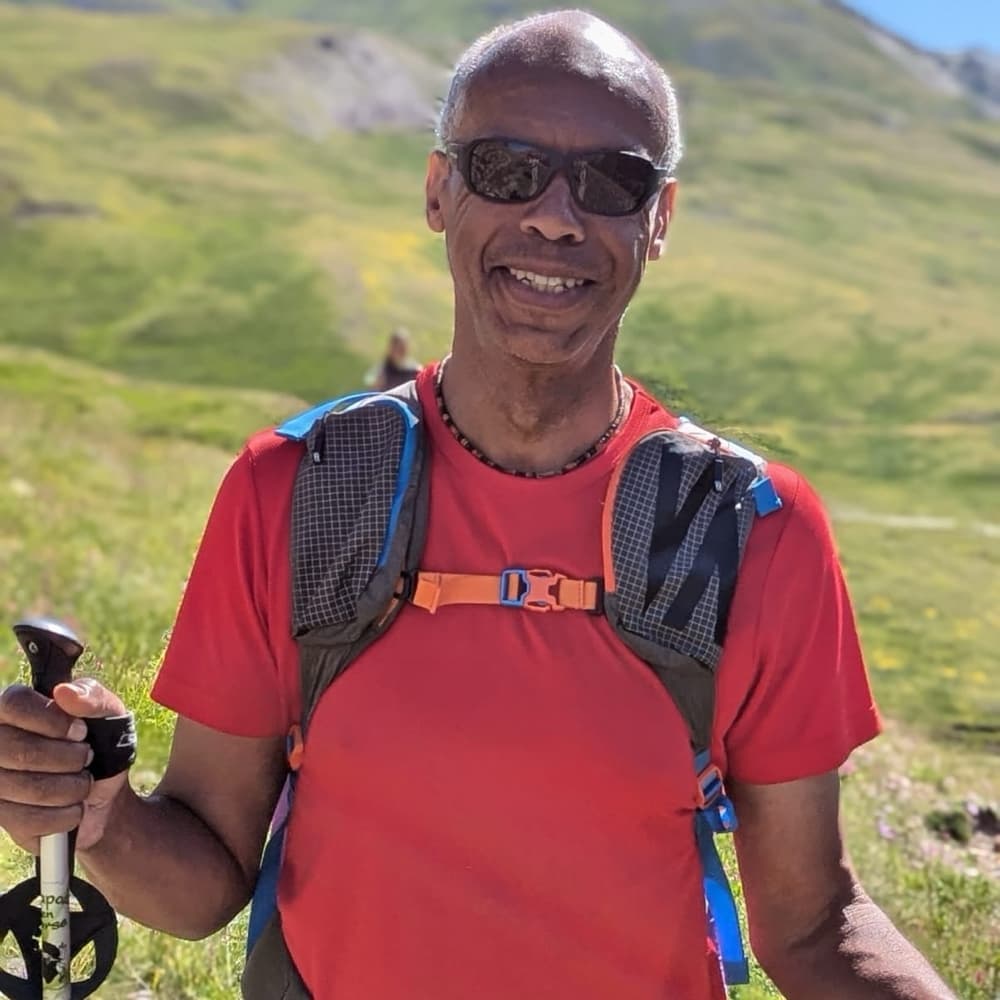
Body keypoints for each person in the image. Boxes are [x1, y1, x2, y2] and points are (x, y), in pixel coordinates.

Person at [0, 11, 955, 1000]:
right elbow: (203, 879)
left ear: (659, 219)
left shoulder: (758, 530)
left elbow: (812, 923)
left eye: (612, 181)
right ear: (437, 189)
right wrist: (99, 817)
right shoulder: (291, 489)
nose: (556, 218)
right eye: (506, 169)